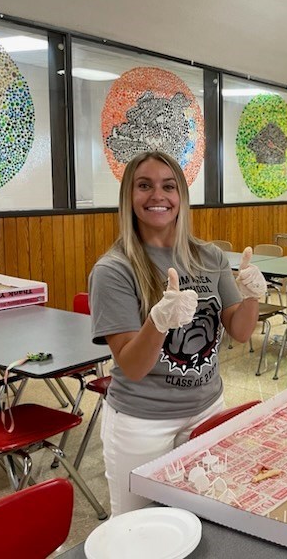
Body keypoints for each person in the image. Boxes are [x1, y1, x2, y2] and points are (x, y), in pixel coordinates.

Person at [89, 151, 265, 515]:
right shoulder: (114, 270)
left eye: (168, 186)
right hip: (142, 423)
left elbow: (241, 331)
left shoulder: (210, 256)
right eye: (144, 186)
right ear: (129, 197)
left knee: (202, 516)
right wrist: (158, 322)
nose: (158, 196)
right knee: (138, 528)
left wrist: (251, 297)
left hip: (207, 408)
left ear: (181, 196)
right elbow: (132, 368)